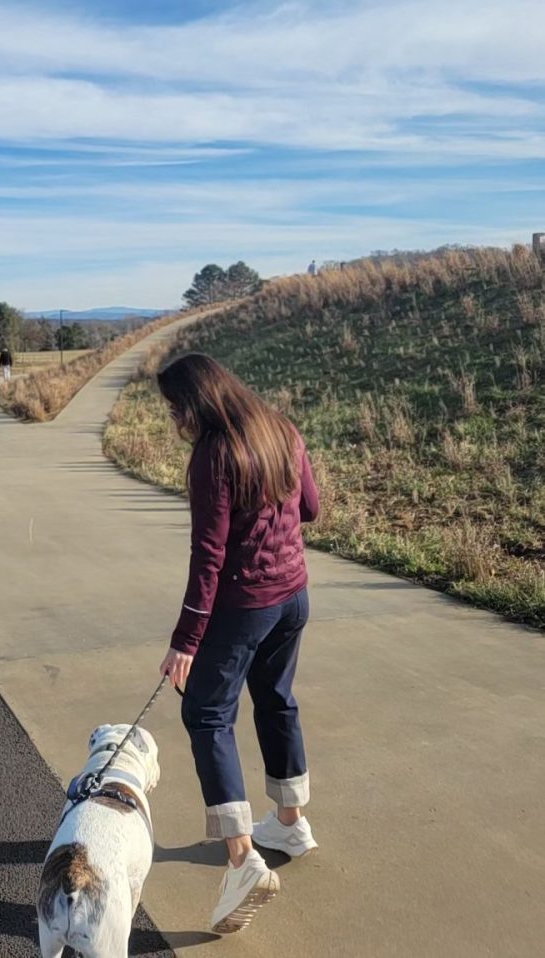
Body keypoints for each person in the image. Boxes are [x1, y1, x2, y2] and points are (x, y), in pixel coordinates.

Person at [156, 353, 320, 935]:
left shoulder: (214, 454)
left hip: (246, 605)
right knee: (277, 699)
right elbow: (311, 509)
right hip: (294, 596)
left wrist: (185, 641)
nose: (175, 420)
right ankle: (291, 821)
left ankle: (243, 860)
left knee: (206, 715)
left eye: (175, 409)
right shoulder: (282, 428)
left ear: (196, 403)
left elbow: (209, 556)